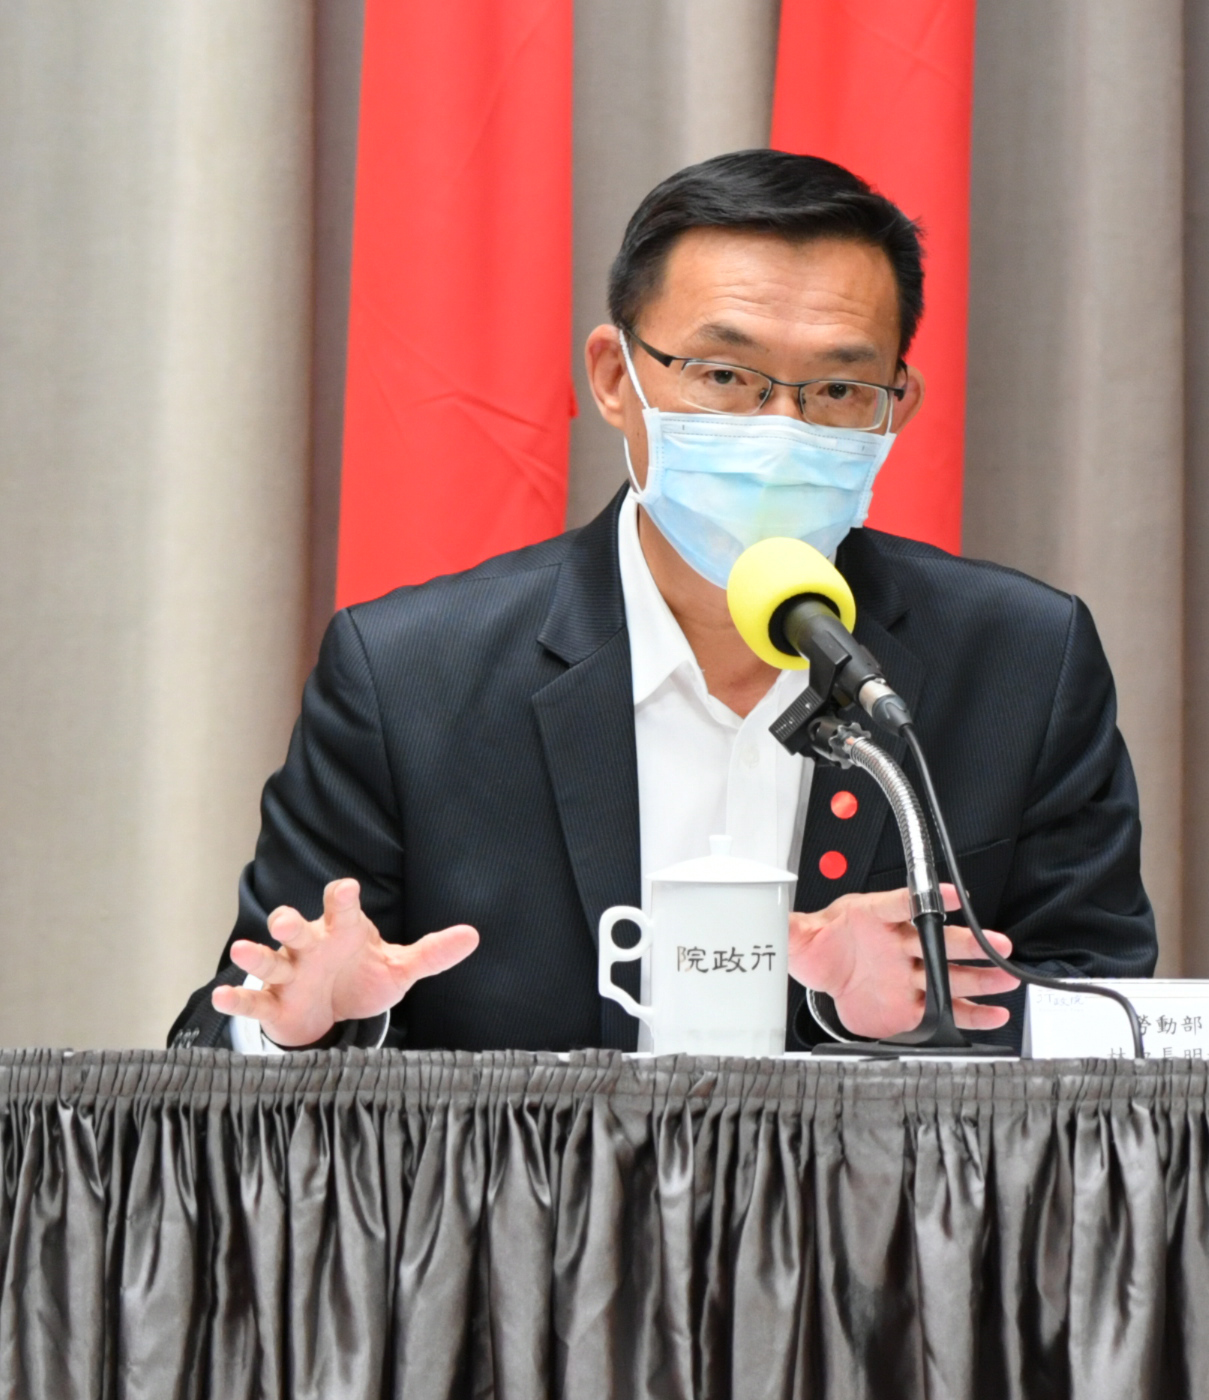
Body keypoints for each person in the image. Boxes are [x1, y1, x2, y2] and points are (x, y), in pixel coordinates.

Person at [170, 151, 1155, 1052]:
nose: (780, 428)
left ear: (898, 407)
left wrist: (898, 1022)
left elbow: (1110, 1027)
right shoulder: (408, 677)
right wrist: (303, 1032)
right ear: (615, 377)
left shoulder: (1023, 661)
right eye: (724, 375)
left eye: (837, 390)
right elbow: (219, 1042)